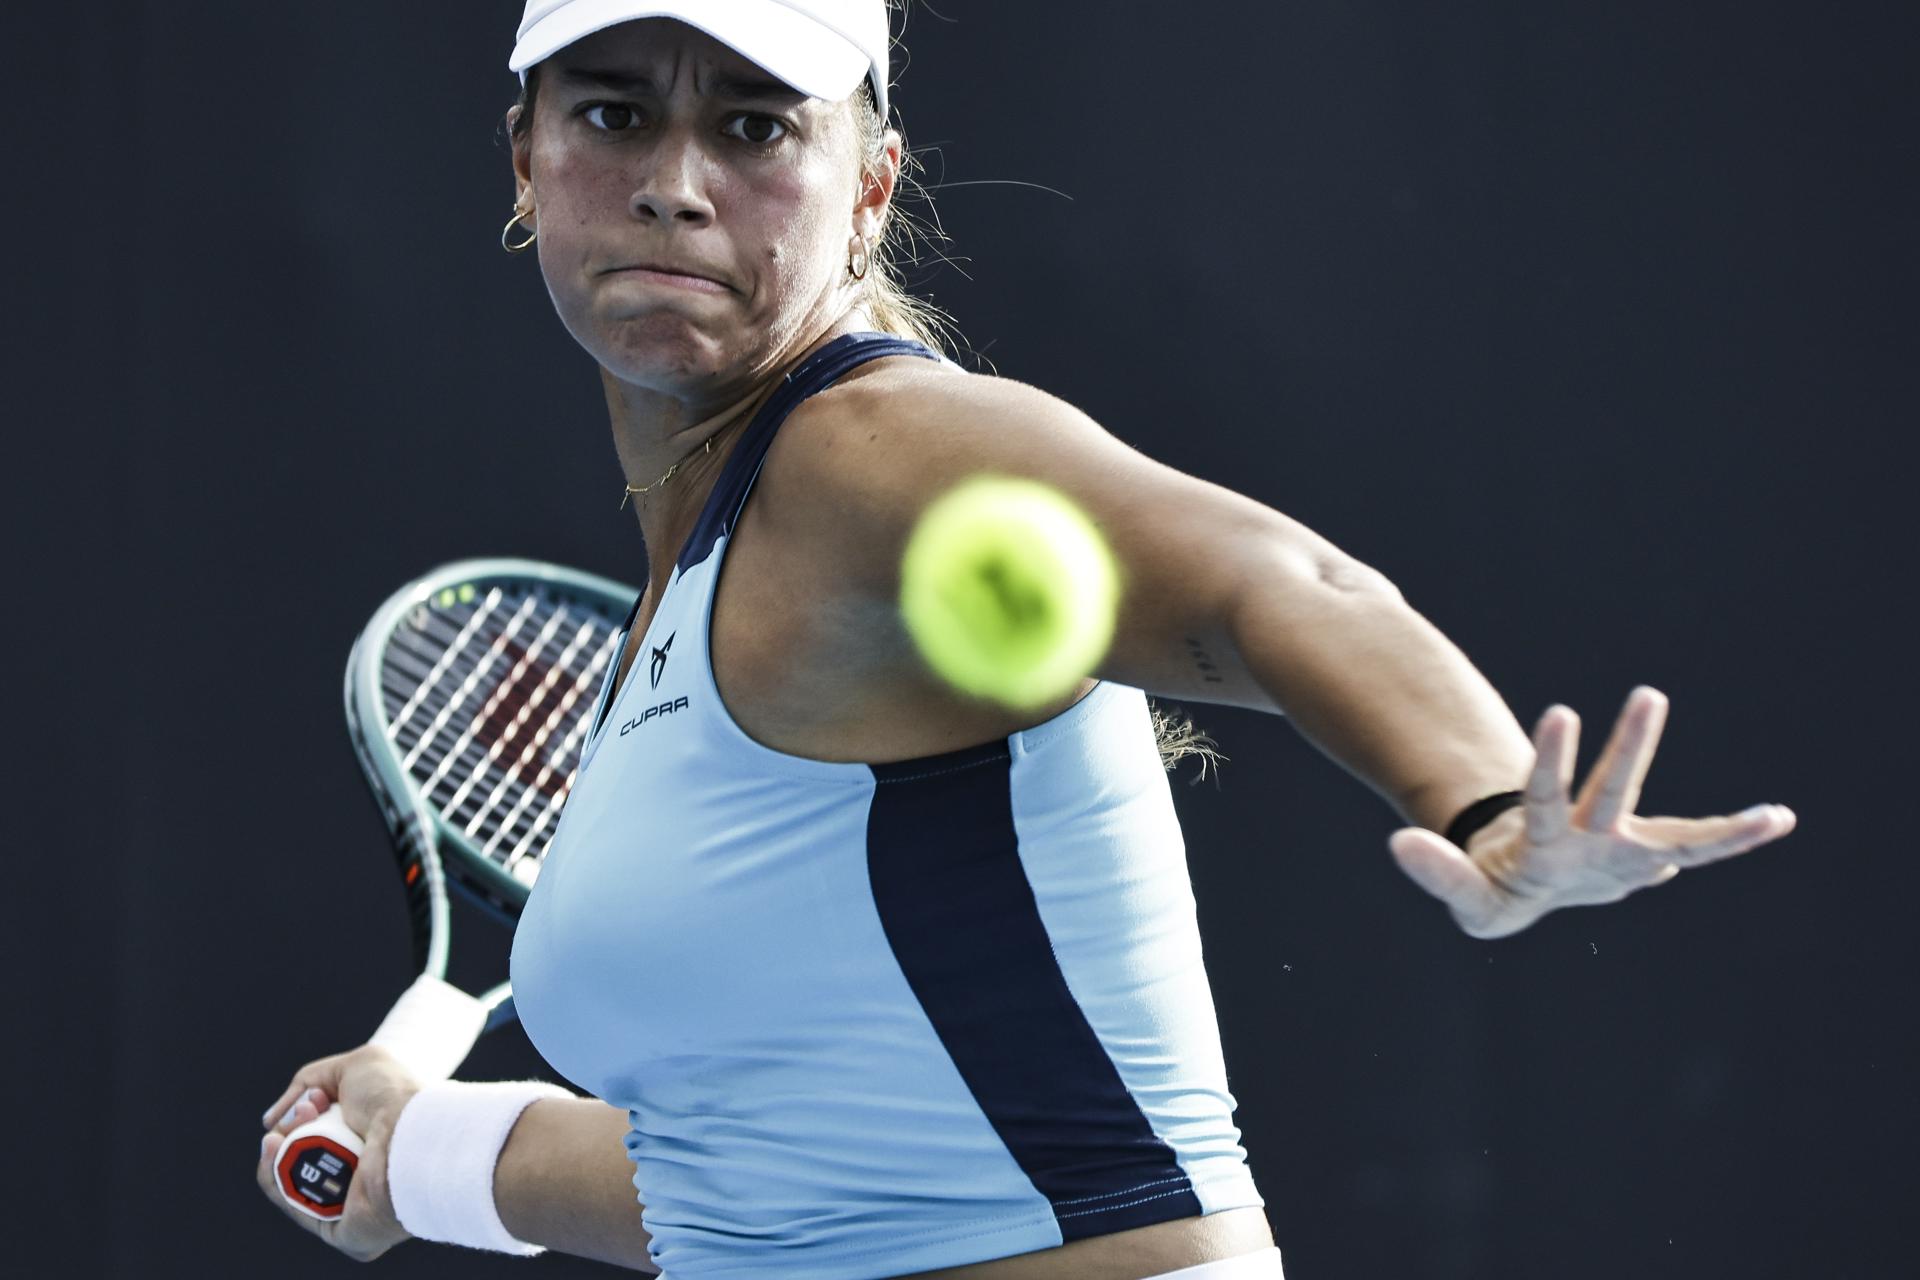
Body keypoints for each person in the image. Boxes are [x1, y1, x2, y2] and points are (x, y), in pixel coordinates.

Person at [255, 2, 1798, 1276]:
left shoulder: (876, 455)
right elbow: (767, 1177)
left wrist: (1482, 800)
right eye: (610, 115)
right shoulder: (708, 560)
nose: (675, 181)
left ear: (870, 183)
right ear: (525, 158)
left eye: (753, 125)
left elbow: (1278, 584)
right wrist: (419, 1147)